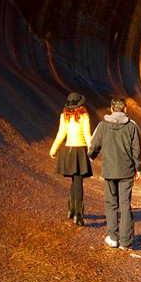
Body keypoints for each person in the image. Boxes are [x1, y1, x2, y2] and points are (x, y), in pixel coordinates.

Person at [88, 97, 141, 250]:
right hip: (126, 170)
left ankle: (113, 238)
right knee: (125, 205)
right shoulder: (132, 126)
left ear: (111, 109)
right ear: (125, 109)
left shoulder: (103, 125)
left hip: (110, 170)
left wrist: (91, 155)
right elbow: (136, 149)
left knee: (111, 204)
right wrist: (138, 168)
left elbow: (94, 143)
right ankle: (125, 242)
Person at [49, 92, 93, 226]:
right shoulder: (84, 116)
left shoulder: (64, 117)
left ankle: (71, 210)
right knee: (78, 183)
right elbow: (87, 135)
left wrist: (53, 149)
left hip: (68, 151)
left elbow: (61, 134)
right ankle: (78, 215)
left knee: (74, 182)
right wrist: (91, 152)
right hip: (80, 151)